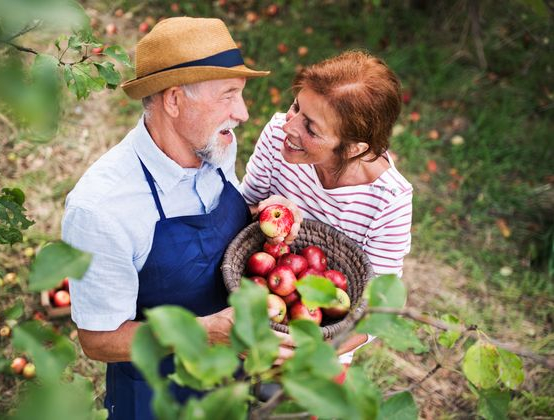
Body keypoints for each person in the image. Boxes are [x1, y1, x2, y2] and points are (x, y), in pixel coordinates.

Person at [61, 17, 293, 420]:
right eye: (228, 95)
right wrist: (202, 332)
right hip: (158, 391)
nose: (242, 113)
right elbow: (97, 340)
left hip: (232, 366)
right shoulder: (102, 208)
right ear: (173, 100)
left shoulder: (216, 146)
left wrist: (267, 219)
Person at [241, 50, 412, 374]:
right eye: (296, 107)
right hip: (251, 304)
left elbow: (379, 308)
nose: (289, 126)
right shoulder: (279, 134)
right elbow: (238, 212)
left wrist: (306, 352)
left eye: (311, 128)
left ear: (354, 148)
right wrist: (263, 211)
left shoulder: (388, 200)